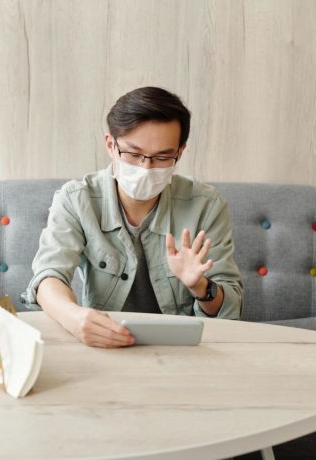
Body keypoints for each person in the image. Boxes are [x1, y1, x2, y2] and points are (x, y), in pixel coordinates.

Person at [22, 86, 243, 348]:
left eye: (162, 157)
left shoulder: (206, 205)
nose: (145, 167)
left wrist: (201, 287)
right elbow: (49, 276)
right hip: (105, 343)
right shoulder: (76, 199)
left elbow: (231, 309)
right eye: (133, 154)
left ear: (179, 152)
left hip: (180, 349)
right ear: (110, 145)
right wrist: (75, 318)